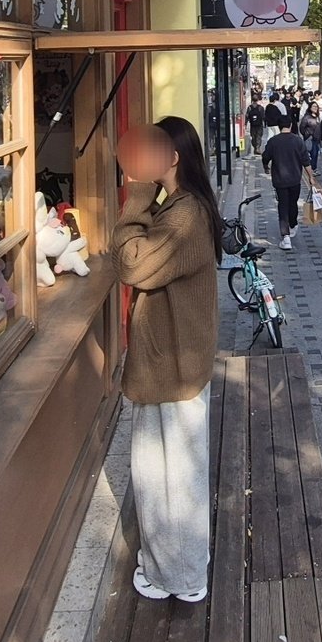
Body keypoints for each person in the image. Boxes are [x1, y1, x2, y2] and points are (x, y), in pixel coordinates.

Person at [112, 116, 224, 603]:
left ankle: (176, 577)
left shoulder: (184, 215)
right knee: (168, 475)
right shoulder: (181, 206)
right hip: (175, 364)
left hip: (173, 367)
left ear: (172, 157)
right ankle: (176, 569)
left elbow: (131, 264)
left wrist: (135, 200)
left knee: (167, 479)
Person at [261, 110, 314, 251]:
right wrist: (311, 177)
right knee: (293, 203)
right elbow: (306, 161)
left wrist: (266, 167)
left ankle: (286, 238)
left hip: (280, 181)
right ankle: (293, 224)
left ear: (279, 126)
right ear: (291, 125)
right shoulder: (298, 141)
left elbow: (265, 157)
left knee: (283, 206)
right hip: (295, 179)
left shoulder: (273, 141)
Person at [298, 101, 322, 170]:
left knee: (315, 155)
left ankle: (313, 168)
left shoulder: (317, 117)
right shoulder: (307, 117)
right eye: (313, 106)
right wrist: (307, 134)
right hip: (310, 138)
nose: (315, 108)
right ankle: (311, 169)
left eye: (316, 106)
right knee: (312, 154)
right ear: (310, 108)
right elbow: (301, 128)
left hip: (317, 139)